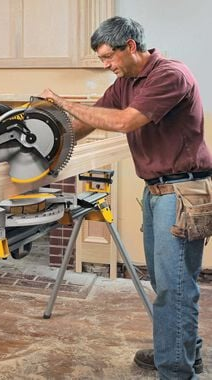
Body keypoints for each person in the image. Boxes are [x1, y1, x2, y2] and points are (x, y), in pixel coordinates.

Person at [41, 16, 212, 380]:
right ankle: (181, 352)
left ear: (130, 46)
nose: (106, 66)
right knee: (167, 284)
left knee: (174, 287)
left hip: (182, 192)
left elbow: (123, 122)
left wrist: (63, 100)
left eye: (108, 57)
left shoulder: (170, 75)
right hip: (157, 192)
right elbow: (86, 124)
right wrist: (41, 141)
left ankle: (175, 371)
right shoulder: (126, 82)